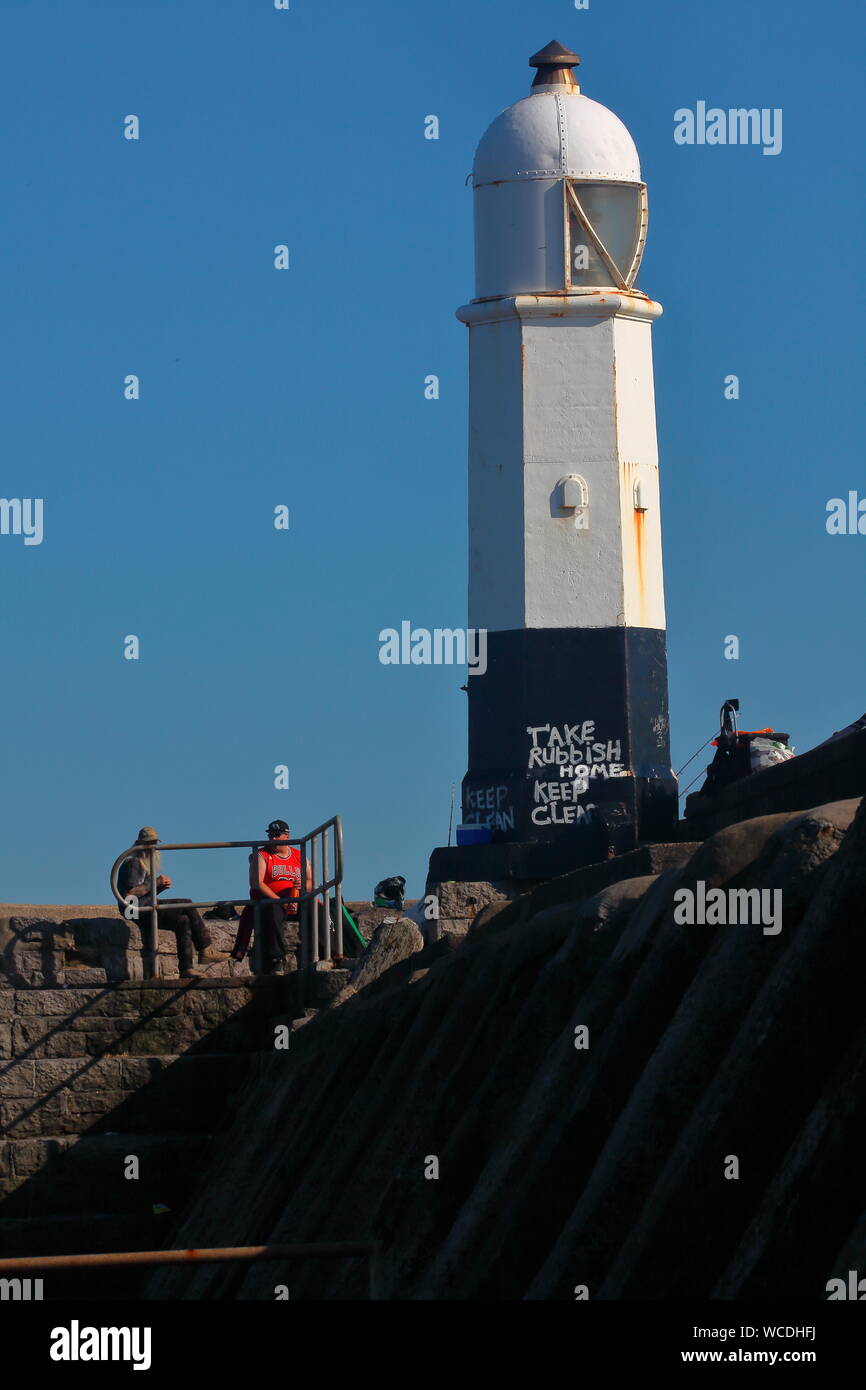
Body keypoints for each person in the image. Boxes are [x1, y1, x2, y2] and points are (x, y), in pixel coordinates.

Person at [117, 827, 230, 976]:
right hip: (135, 910)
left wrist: (159, 887)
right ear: (138, 843)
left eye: (154, 843)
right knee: (187, 904)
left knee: (183, 921)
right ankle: (205, 948)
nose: (152, 847)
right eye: (148, 843)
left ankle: (186, 968)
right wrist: (155, 883)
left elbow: (144, 892)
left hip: (144, 906)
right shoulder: (133, 863)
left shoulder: (145, 864)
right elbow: (130, 893)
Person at [230, 820, 313, 973]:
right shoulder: (262, 854)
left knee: (317, 909)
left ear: (287, 836)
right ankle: (276, 959)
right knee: (271, 909)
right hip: (273, 900)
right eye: (270, 835)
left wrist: (301, 886)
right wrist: (281, 902)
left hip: (296, 899)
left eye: (276, 835)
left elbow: (311, 882)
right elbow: (258, 883)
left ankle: (321, 954)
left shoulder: (299, 856)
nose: (272, 839)